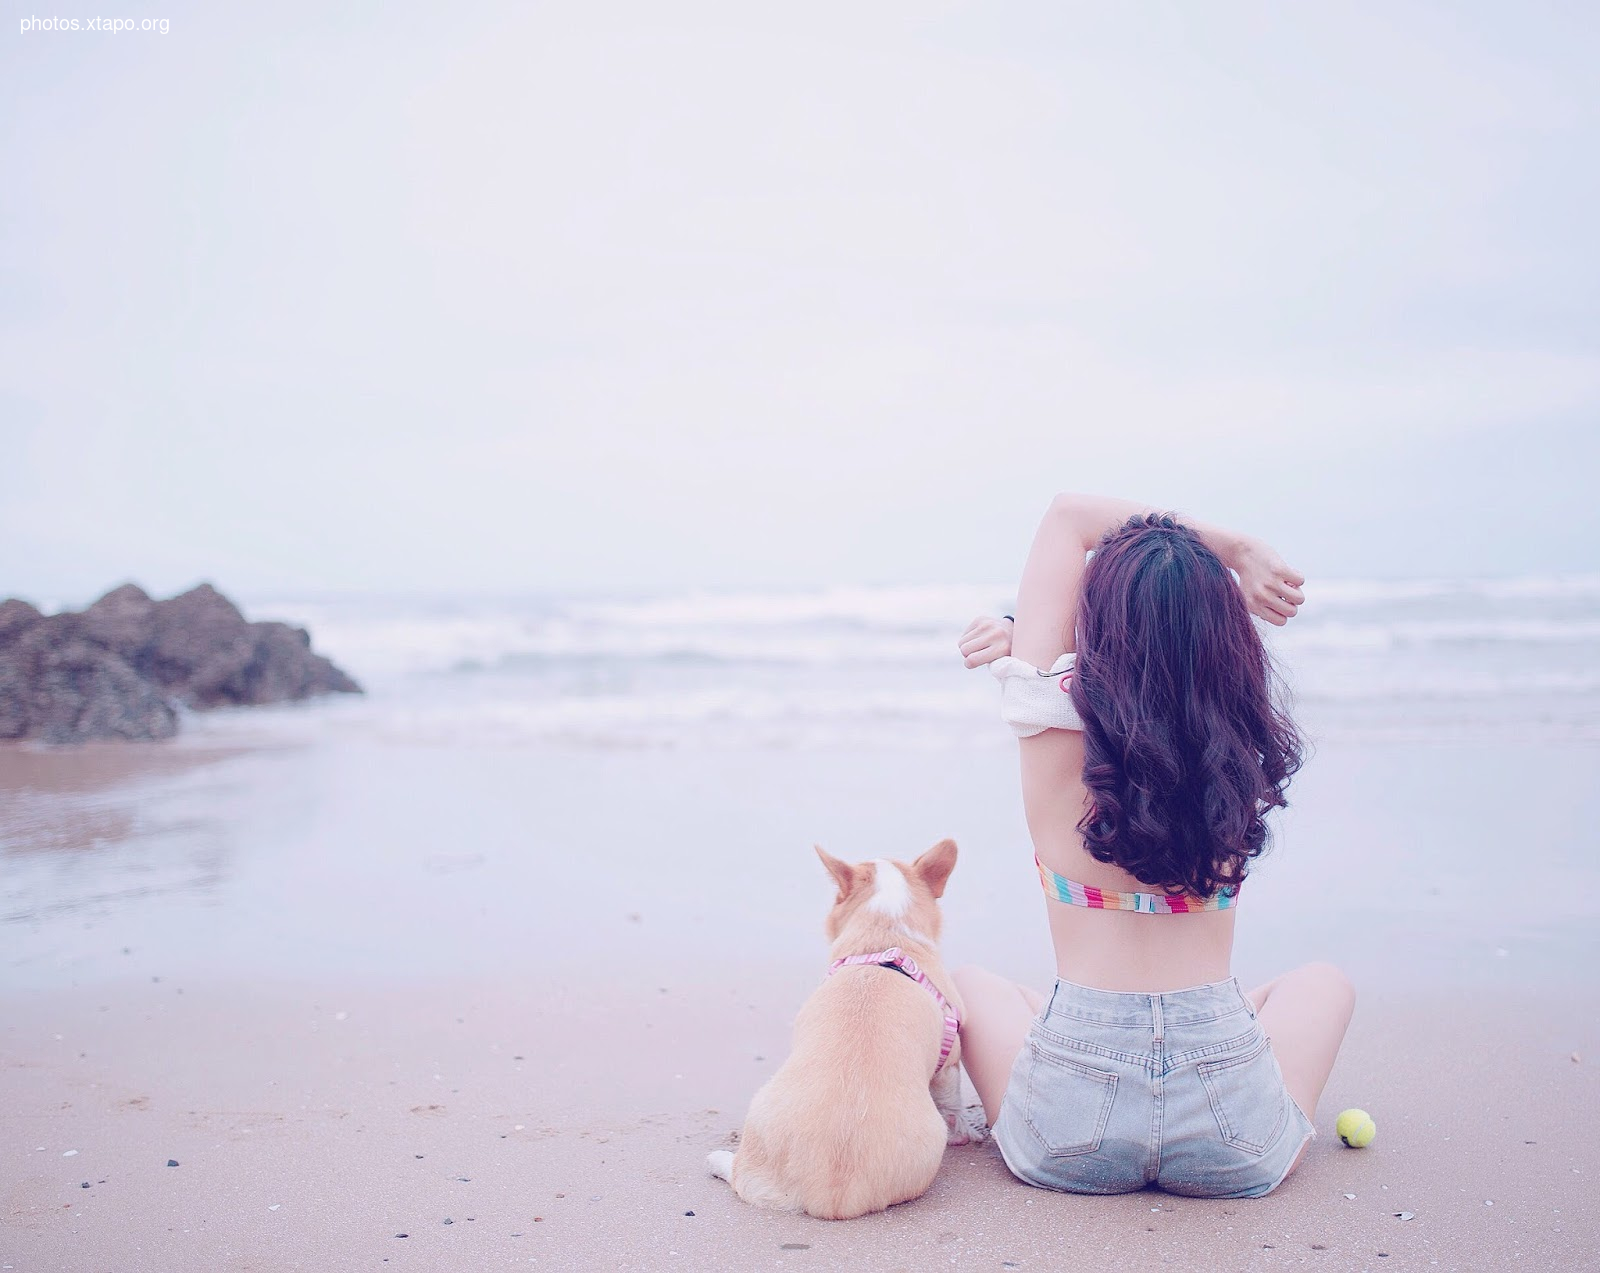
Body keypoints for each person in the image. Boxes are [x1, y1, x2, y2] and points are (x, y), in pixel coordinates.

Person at [952, 491, 1354, 1199]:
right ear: (1226, 641)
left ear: (1095, 626)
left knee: (973, 985)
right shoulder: (1235, 753)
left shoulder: (1048, 740)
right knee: (1325, 984)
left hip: (1069, 1128)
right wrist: (1230, 560)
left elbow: (1069, 516)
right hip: (1234, 1130)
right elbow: (1163, 650)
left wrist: (1232, 545)